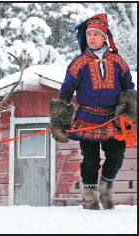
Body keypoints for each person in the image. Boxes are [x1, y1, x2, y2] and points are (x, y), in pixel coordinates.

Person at [49, 13, 136, 210]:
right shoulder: (78, 63)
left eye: (96, 34)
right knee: (90, 161)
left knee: (116, 156)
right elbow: (66, 90)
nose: (92, 37)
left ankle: (106, 187)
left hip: (113, 119)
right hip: (87, 118)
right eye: (89, 34)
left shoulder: (118, 61)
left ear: (104, 37)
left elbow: (129, 87)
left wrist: (129, 110)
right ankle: (90, 199)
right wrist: (59, 118)